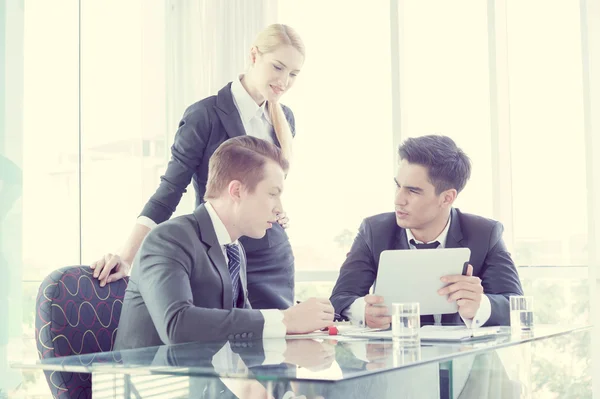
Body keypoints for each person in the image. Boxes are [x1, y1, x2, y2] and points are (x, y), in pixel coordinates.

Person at [91, 24, 305, 310]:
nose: (284, 81)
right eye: (277, 67)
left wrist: (276, 210)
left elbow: (266, 187)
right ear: (254, 56)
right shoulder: (204, 115)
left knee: (276, 347)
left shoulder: (285, 119)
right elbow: (170, 190)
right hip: (217, 256)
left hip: (272, 256)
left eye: (293, 74)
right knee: (216, 344)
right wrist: (127, 256)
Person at [114, 136, 334, 350]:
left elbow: (244, 329)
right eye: (272, 194)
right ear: (236, 191)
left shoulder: (234, 249)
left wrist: (297, 341)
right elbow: (177, 326)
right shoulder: (169, 239)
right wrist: (285, 320)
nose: (279, 209)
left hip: (206, 382)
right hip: (150, 382)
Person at [330, 135, 524, 329]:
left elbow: (516, 305)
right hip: (396, 356)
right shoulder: (374, 231)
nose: (398, 200)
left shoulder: (485, 233)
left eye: (413, 191)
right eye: (398, 186)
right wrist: (361, 310)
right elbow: (340, 299)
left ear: (447, 198)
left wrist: (480, 305)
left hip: (462, 355)